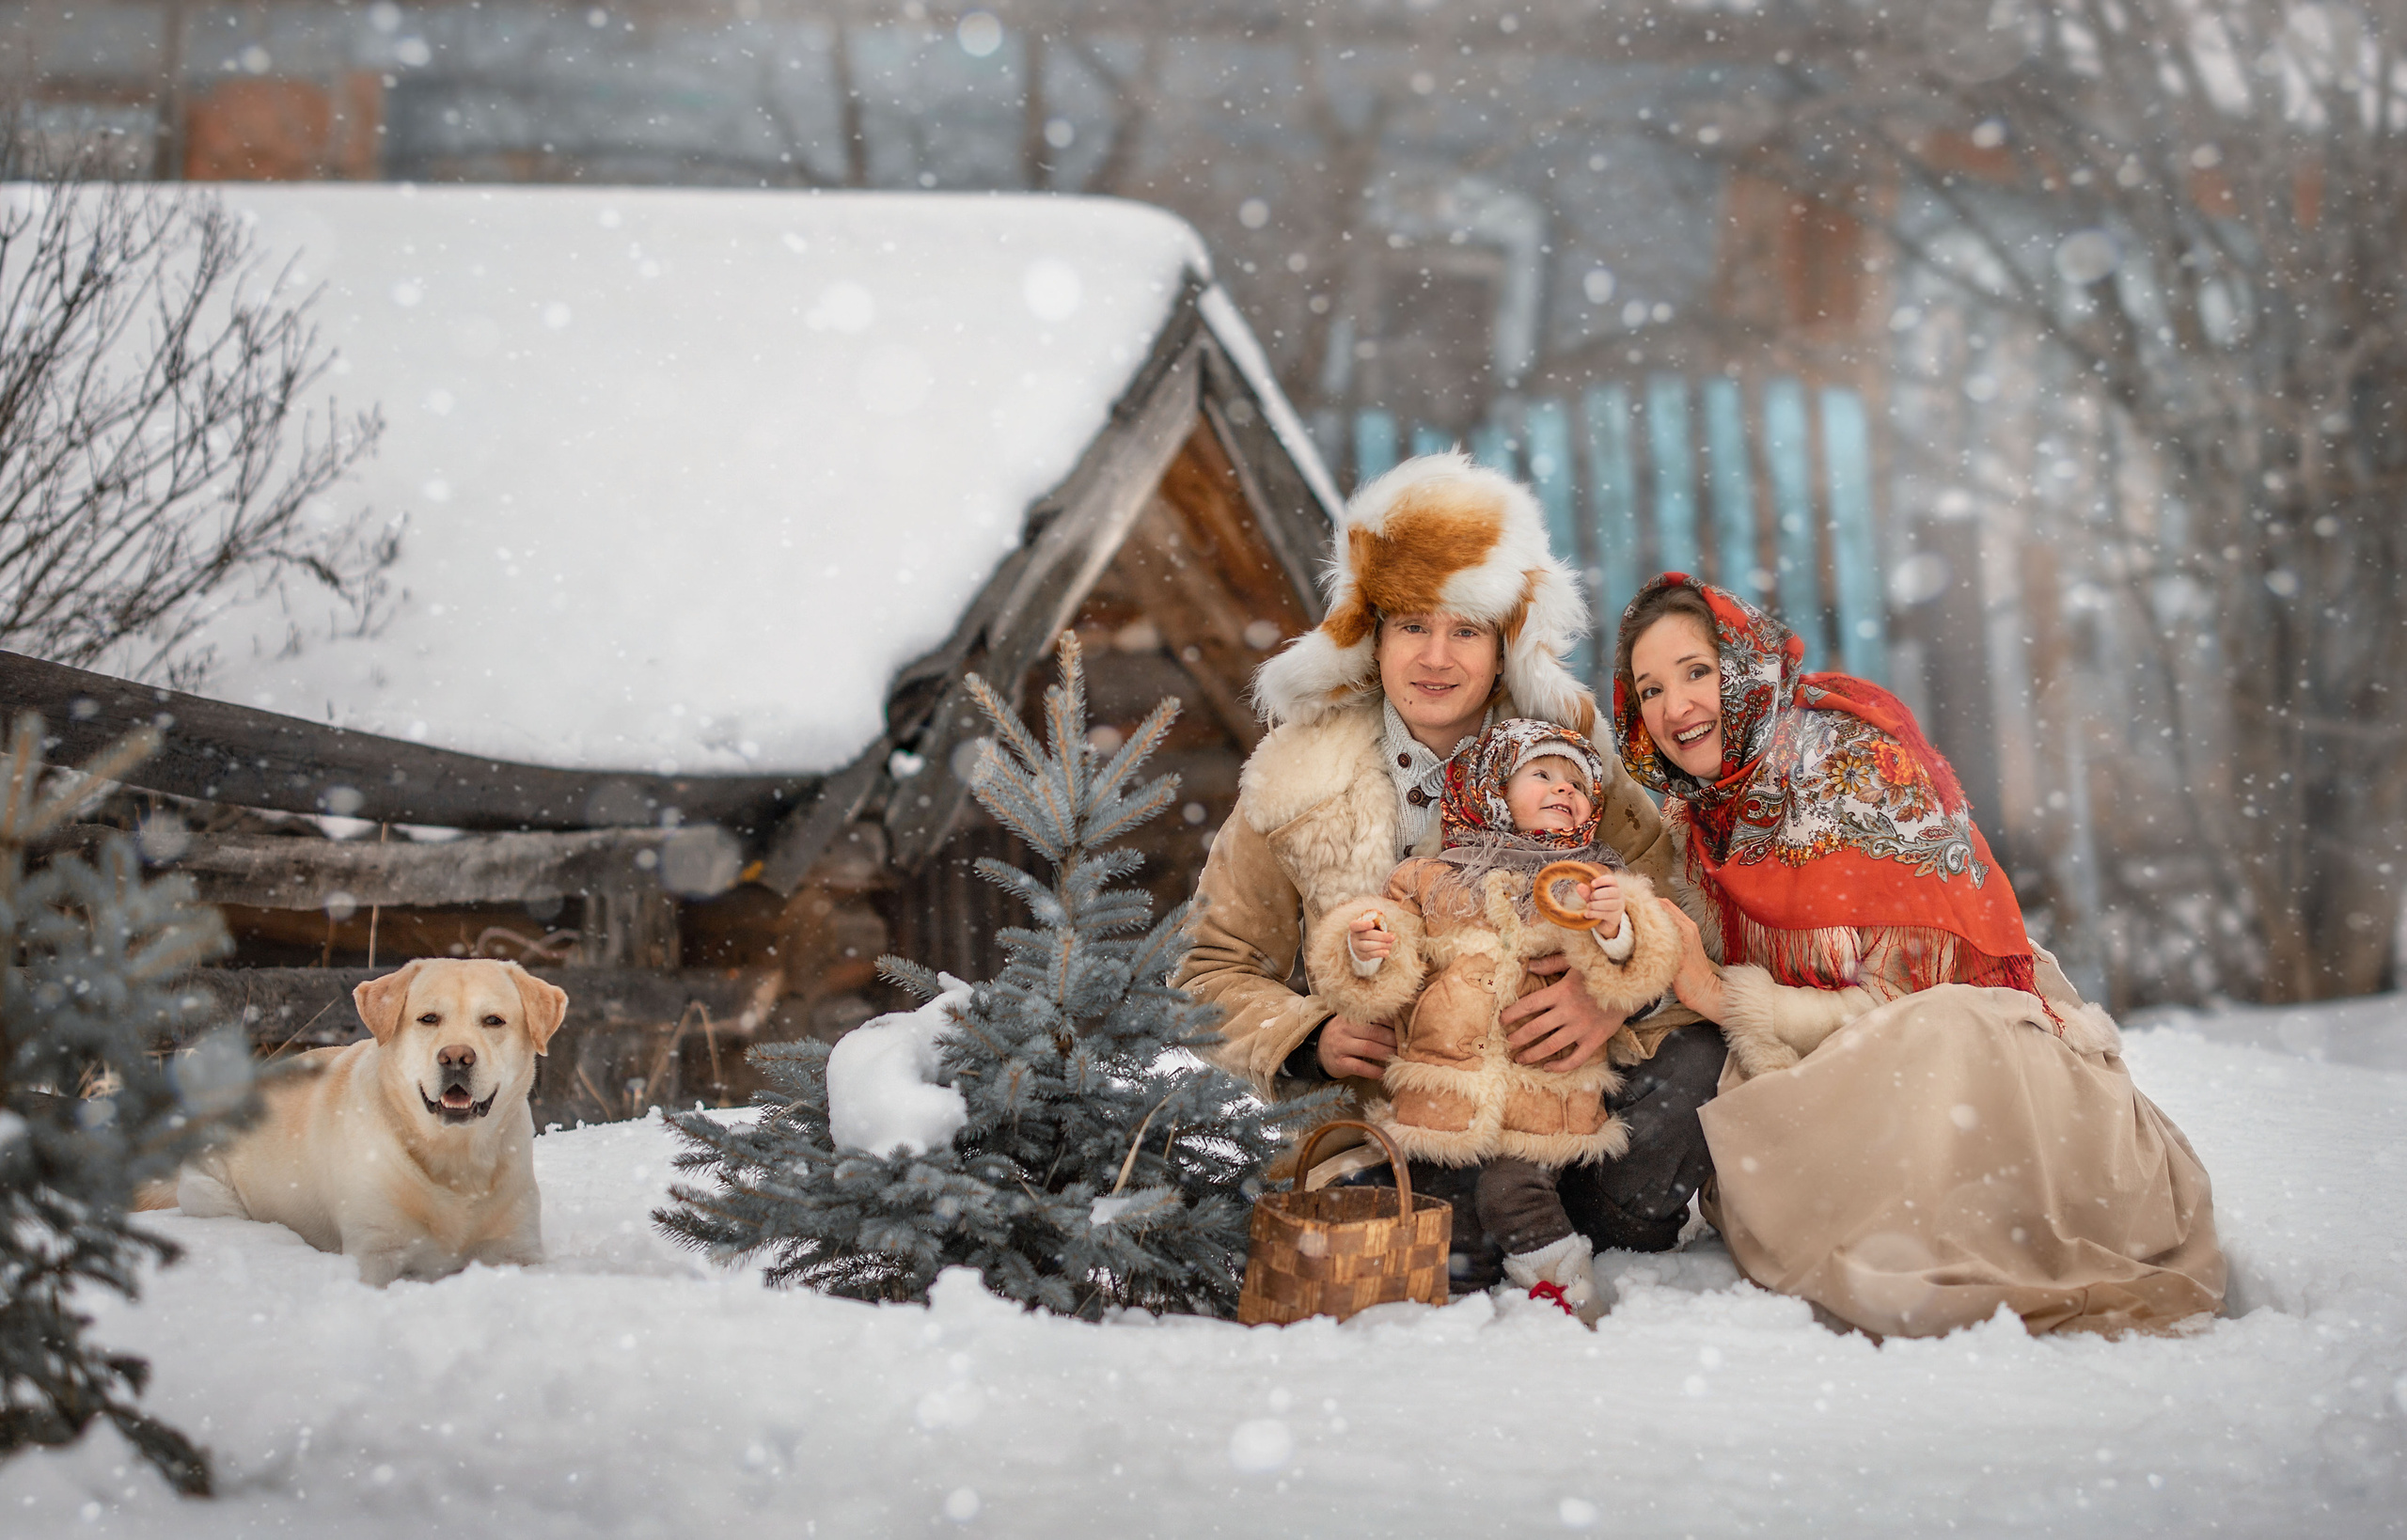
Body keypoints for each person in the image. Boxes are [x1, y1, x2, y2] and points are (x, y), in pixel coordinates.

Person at [1614, 572, 2225, 1337]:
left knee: (1935, 1045)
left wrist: (1725, 999)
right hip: (1829, 1063)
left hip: (1966, 1048)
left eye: (1696, 672)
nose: (1675, 709)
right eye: (1650, 690)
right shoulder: (1699, 817)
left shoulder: (1856, 765)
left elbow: (1905, 1004)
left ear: (1743, 669)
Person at [1176, 452, 1725, 1283]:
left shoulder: (1567, 752)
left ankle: (1600, 1220)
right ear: (1373, 634)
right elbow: (1211, 968)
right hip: (1415, 1118)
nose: (1437, 656)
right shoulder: (1294, 779)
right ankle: (1475, 1224)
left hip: (1576, 1104)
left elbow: (1684, 912)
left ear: (1506, 646)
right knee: (1429, 1218)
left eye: (1465, 629)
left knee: (1700, 1062)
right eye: (1413, 624)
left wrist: (1606, 996)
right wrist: (1309, 1038)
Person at [1307, 719, 1682, 1316]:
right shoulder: (1432, 879)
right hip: (1442, 1096)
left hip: (1545, 1094)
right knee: (1447, 1215)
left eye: (1578, 783)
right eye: (1542, 775)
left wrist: (1617, 927)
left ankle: (1567, 1298)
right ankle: (1464, 1314)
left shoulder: (1588, 881)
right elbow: (1388, 956)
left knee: (1516, 1194)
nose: (1564, 790)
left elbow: (1638, 963)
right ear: (1491, 791)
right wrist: (1363, 950)